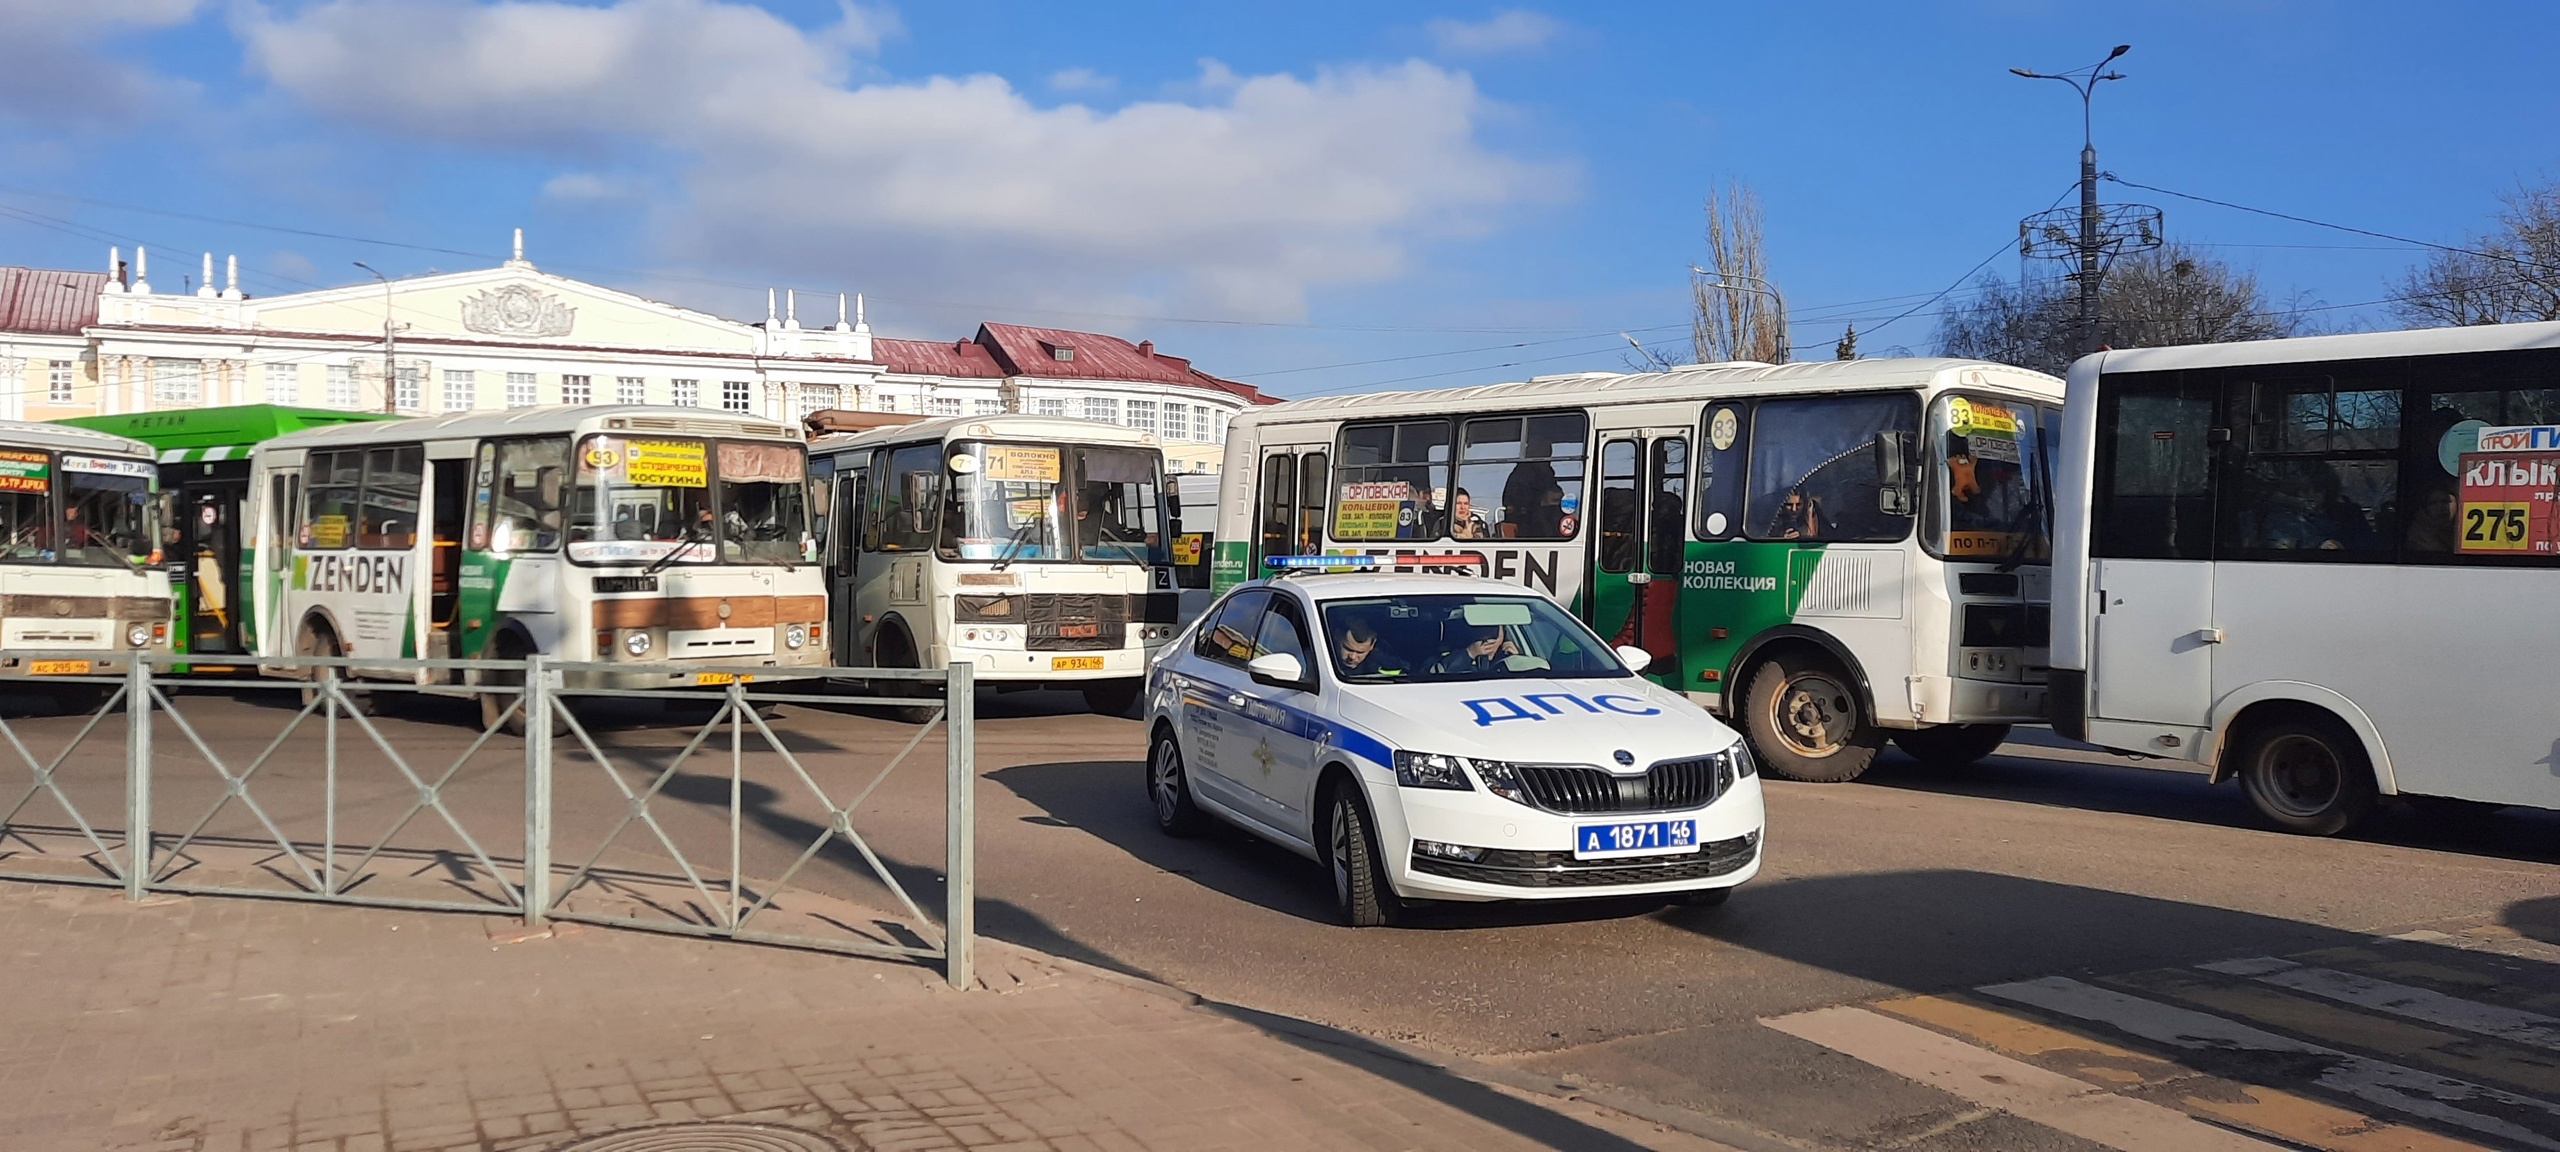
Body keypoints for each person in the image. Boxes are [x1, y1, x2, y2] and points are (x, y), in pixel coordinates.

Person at [1427, 619, 1517, 676]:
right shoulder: (1447, 655)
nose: (1488, 638)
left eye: (1494, 631)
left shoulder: (1507, 657)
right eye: (1482, 630)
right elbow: (1433, 673)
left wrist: (1517, 660)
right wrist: (1469, 654)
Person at [1333, 616, 1406, 677]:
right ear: (1337, 636)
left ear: (1372, 646)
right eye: (1348, 649)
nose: (1352, 657)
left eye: (1360, 652)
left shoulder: (1389, 666)